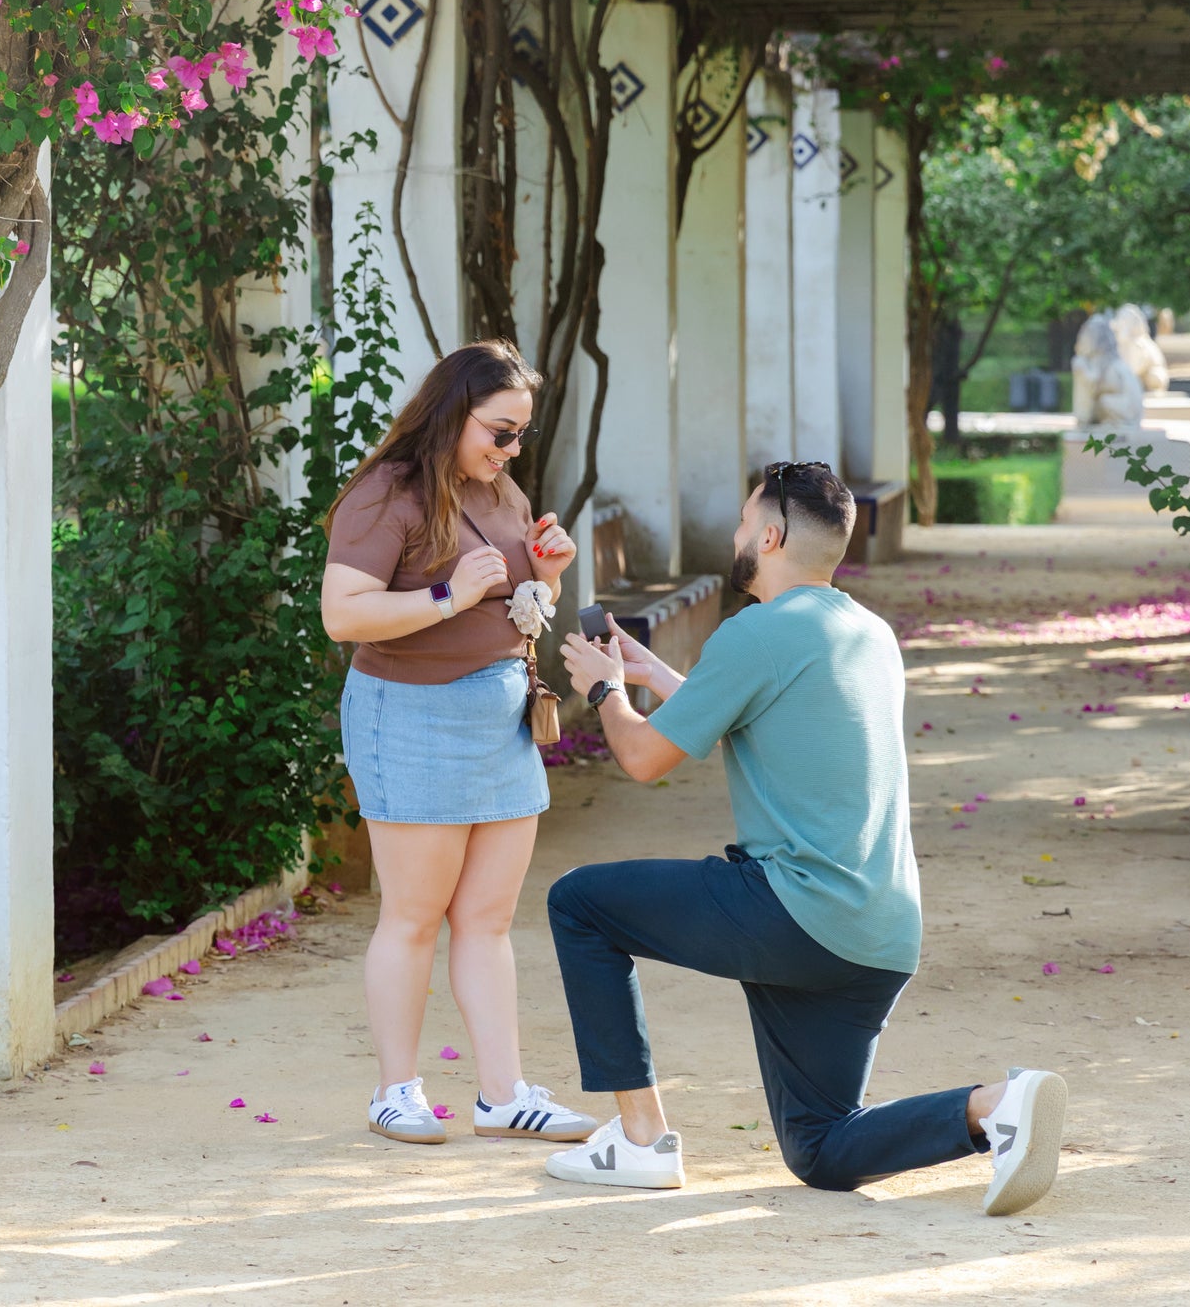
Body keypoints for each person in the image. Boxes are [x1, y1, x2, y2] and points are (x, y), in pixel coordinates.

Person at [541, 461, 1067, 1215]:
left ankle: (640, 1138)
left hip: (794, 912)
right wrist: (653, 673)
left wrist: (605, 690)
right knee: (821, 1151)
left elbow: (642, 758)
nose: (732, 536)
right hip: (876, 936)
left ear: (770, 534)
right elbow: (766, 718)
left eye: (739, 522)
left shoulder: (754, 632)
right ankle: (995, 1107)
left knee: (580, 903)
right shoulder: (866, 632)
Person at [322, 340, 596, 1149]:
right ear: (452, 412)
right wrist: (446, 595)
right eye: (499, 431)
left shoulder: (499, 490)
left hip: (497, 716)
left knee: (487, 918)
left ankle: (503, 1094)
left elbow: (511, 607)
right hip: (409, 715)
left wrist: (546, 574)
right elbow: (344, 615)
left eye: (520, 437)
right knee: (411, 916)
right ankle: (394, 1091)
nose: (511, 450)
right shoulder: (387, 494)